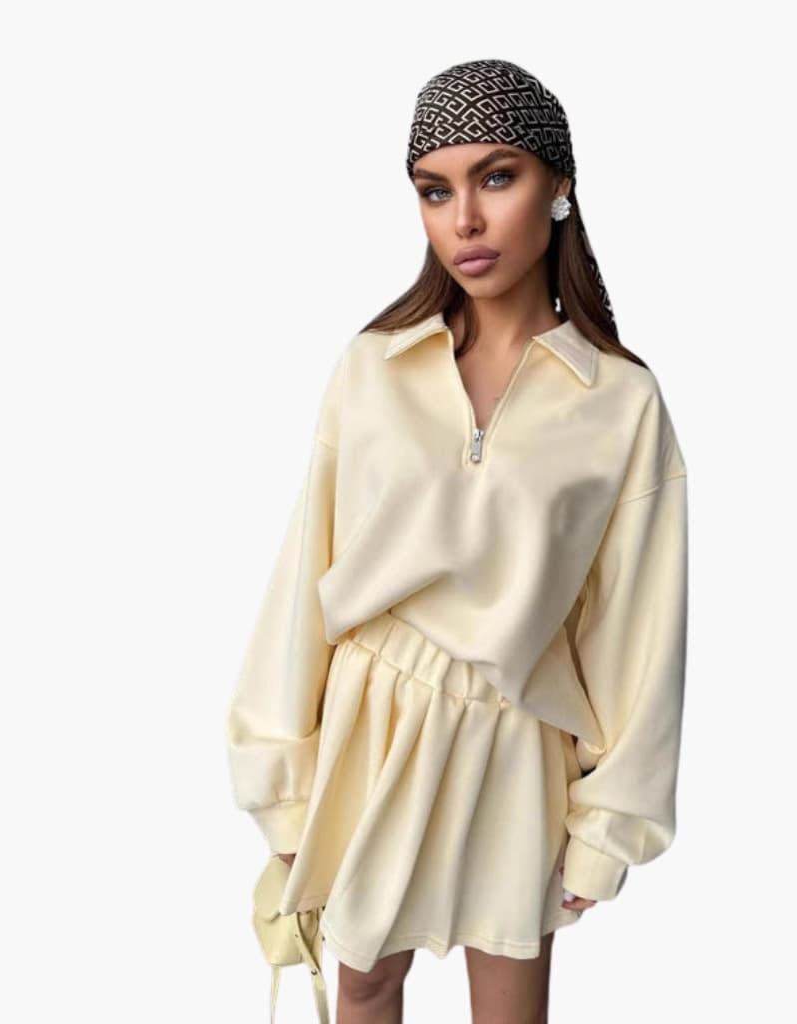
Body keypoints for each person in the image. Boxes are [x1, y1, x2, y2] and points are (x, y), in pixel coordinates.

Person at [226, 58, 689, 1024]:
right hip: (370, 722)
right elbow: (304, 576)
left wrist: (608, 826)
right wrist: (281, 774)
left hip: (518, 735)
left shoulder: (619, 400)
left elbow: (640, 627)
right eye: (434, 191)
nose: (465, 220)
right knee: (362, 983)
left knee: (510, 1003)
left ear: (559, 186)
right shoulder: (373, 368)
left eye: (497, 177)